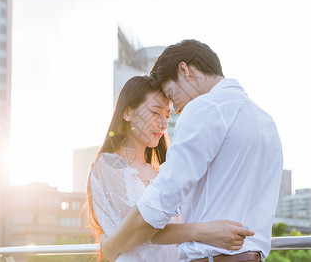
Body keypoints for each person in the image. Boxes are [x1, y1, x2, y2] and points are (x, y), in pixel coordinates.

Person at [101, 40, 283, 262]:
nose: (176, 109)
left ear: (184, 70)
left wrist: (111, 246)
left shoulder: (206, 107)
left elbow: (158, 205)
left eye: (171, 94)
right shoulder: (266, 121)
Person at [86, 75, 255, 262]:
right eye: (155, 112)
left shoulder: (161, 173)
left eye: (167, 116)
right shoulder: (108, 164)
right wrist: (207, 231)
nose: (163, 123)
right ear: (127, 113)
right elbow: (138, 229)